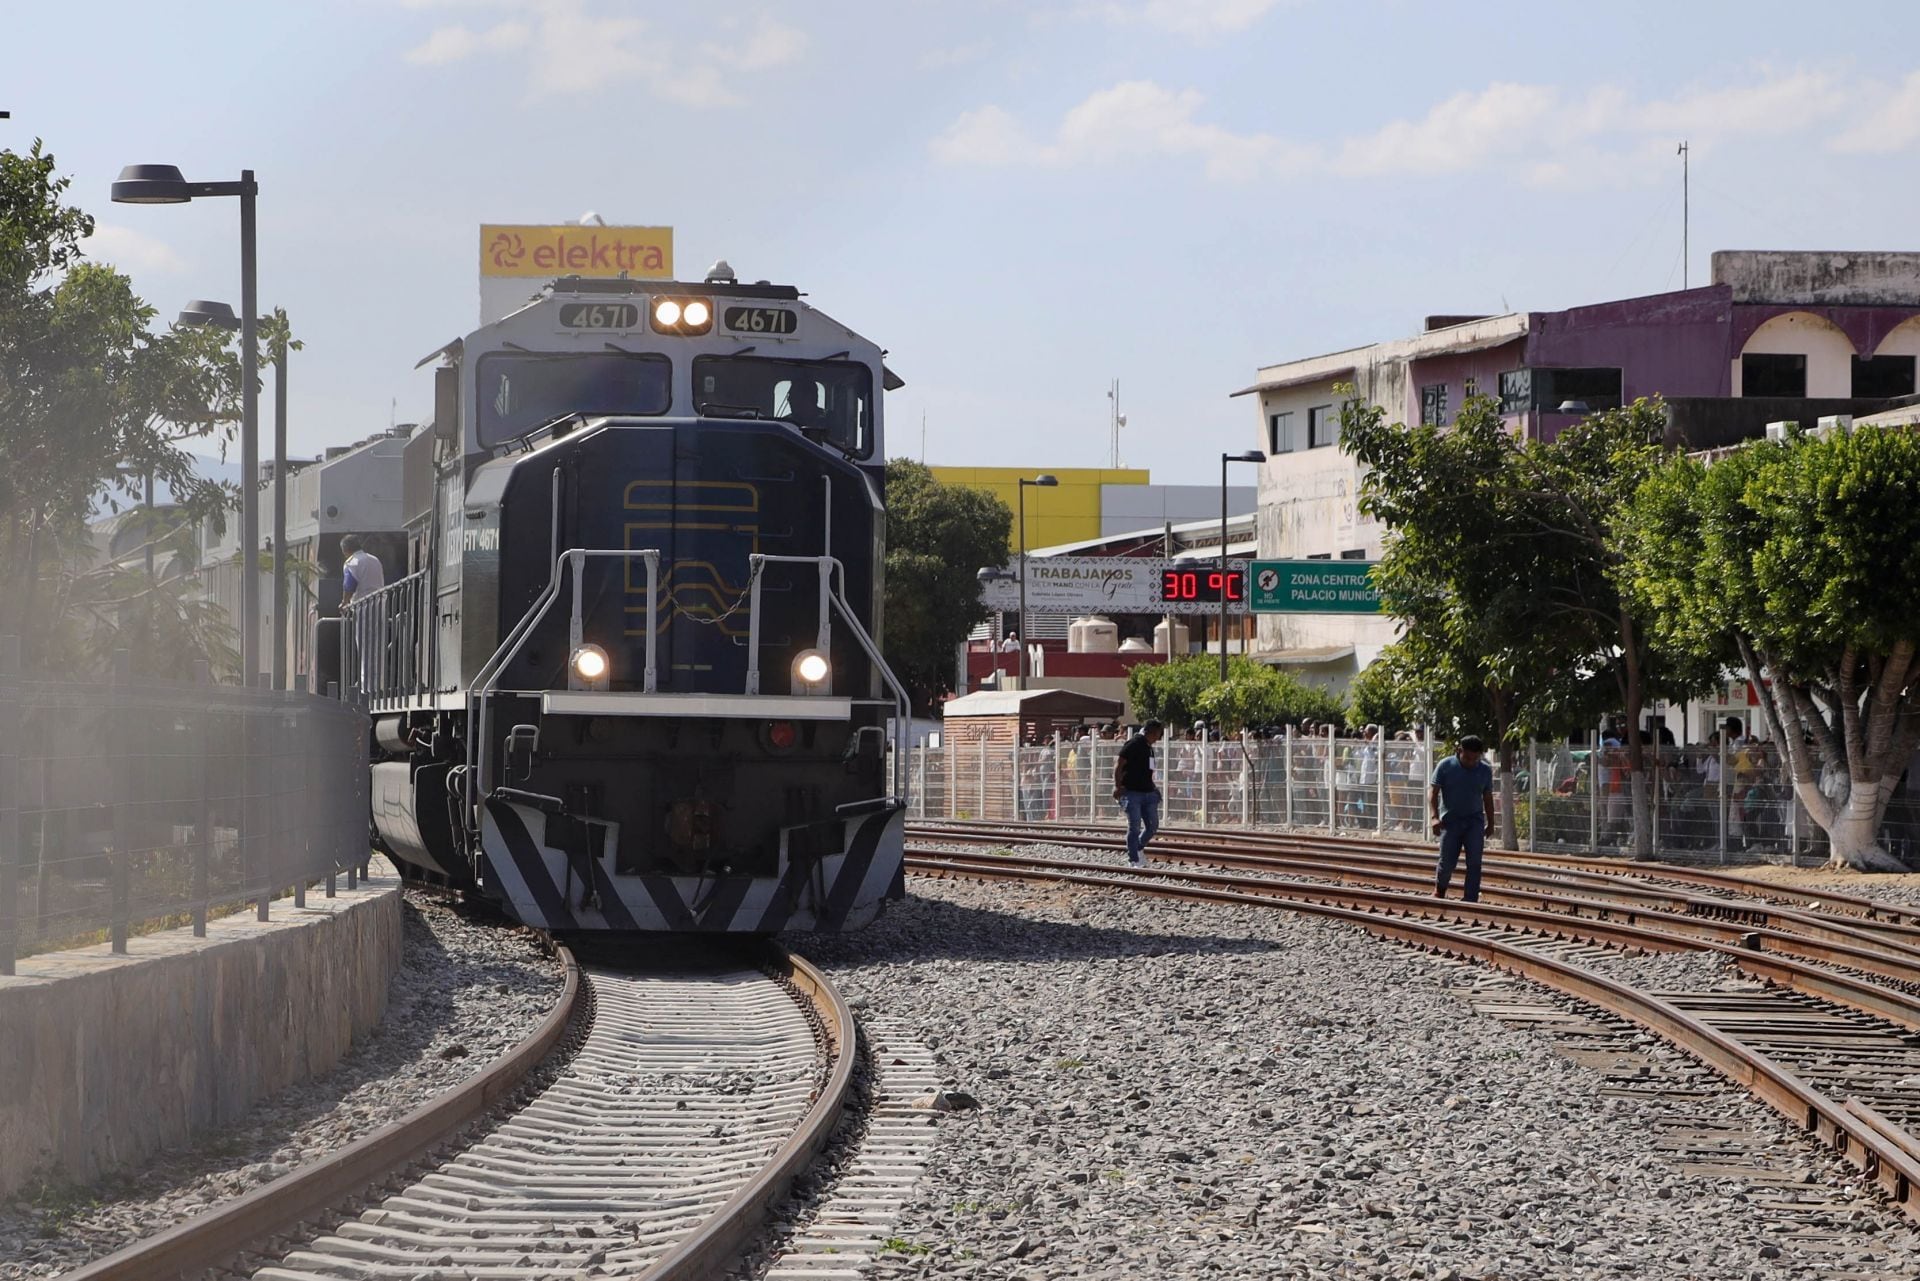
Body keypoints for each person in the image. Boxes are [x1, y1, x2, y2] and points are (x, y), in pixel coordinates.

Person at [1430, 734, 1496, 902]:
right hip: (1450, 822)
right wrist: (1434, 817)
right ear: (1459, 751)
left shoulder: (1485, 770)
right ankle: (1440, 890)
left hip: (1474, 822)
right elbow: (1433, 792)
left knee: (1474, 863)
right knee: (1447, 863)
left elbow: (1488, 798)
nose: (1471, 762)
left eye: (1476, 759)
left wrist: (1491, 823)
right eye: (1467, 758)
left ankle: (1470, 899)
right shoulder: (1445, 766)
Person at [1113, 720, 1165, 867]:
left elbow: (1150, 771)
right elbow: (1119, 765)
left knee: (1152, 826)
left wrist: (1154, 788)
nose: (1158, 738)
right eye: (1158, 734)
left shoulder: (1150, 748)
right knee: (1134, 826)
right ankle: (1133, 859)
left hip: (1148, 792)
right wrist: (1118, 786)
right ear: (1151, 732)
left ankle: (1138, 848)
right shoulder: (1133, 744)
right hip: (1132, 792)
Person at [340, 534, 384, 606]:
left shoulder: (351, 563)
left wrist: (344, 602)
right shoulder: (375, 559)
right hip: (380, 603)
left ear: (345, 550)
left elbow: (349, 586)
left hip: (362, 606)